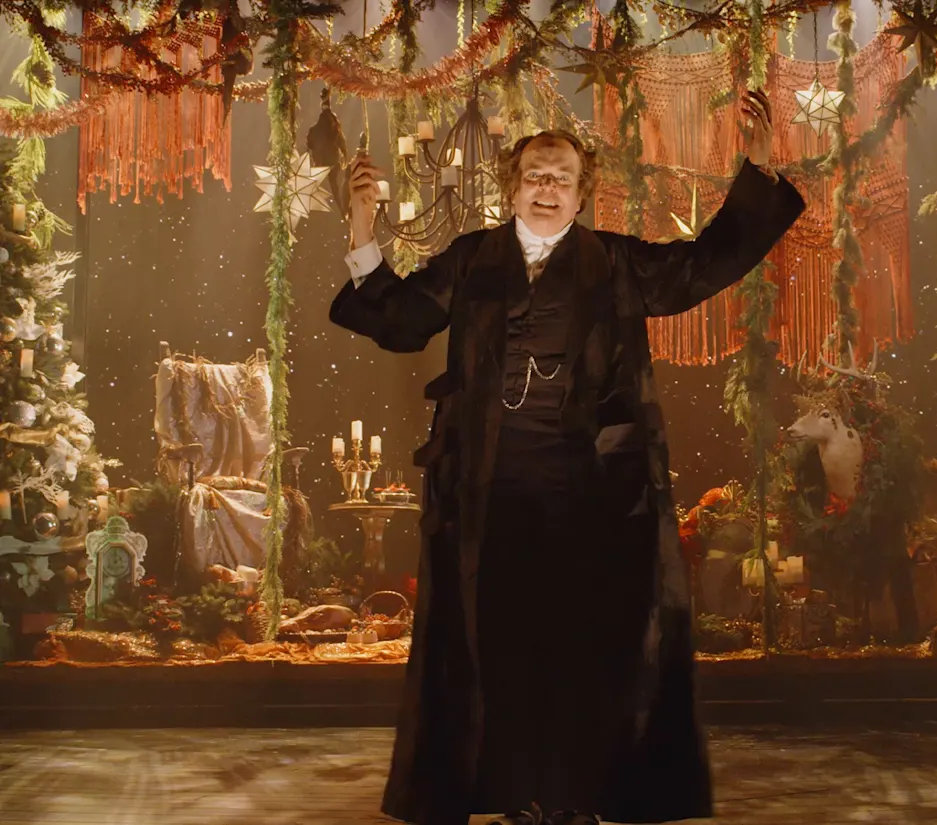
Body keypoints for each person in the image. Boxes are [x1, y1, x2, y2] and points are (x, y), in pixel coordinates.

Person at [330, 91, 805, 825]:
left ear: (583, 195)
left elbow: (703, 265)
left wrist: (758, 174)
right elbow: (400, 319)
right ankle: (516, 794)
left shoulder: (614, 262)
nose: (546, 189)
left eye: (561, 178)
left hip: (595, 492)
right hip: (491, 489)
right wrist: (362, 227)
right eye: (535, 176)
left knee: (584, 647)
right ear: (512, 187)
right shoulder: (472, 259)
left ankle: (576, 797)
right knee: (502, 646)